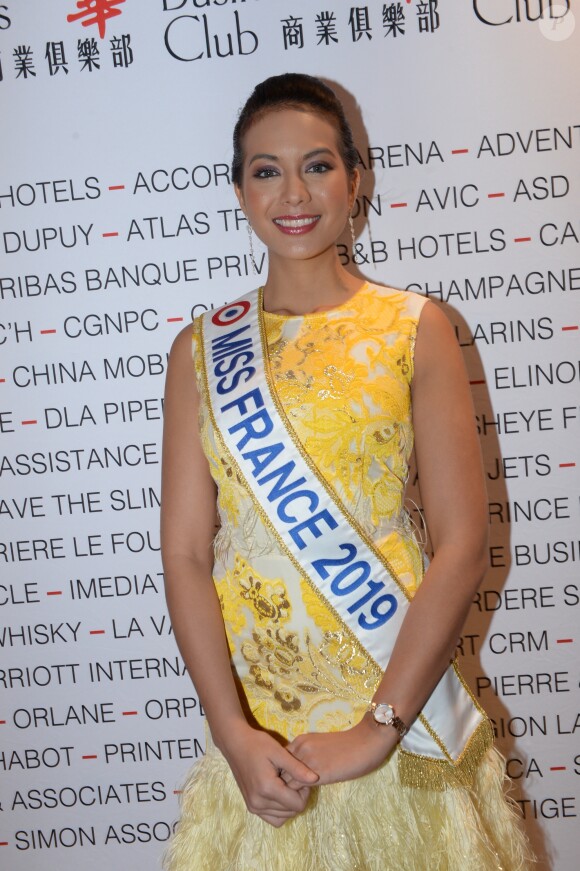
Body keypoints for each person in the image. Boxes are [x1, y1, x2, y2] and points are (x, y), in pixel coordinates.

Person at [160, 73, 532, 870]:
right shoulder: (200, 352)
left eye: (318, 165)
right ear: (239, 188)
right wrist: (233, 734)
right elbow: (188, 554)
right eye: (266, 169)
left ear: (356, 179)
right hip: (266, 748)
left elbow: (464, 543)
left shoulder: (415, 329)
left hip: (400, 729)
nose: (294, 192)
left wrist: (376, 729)